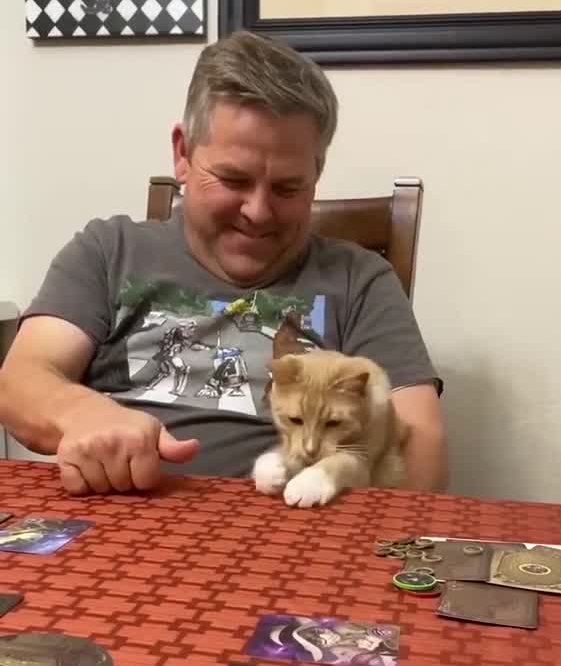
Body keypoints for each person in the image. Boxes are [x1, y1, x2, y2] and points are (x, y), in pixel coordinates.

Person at [0, 30, 447, 497]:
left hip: (299, 533)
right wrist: (84, 414)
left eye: (288, 188)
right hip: (121, 529)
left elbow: (422, 446)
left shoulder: (360, 280)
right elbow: (19, 382)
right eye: (233, 179)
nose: (258, 211)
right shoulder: (108, 250)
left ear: (316, 176)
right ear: (183, 154)